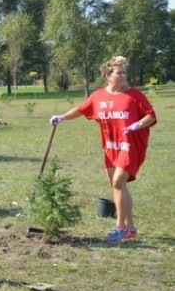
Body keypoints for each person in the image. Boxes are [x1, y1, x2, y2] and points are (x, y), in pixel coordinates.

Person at [50, 55, 157, 244]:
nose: (123, 75)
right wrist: (62, 117)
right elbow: (82, 109)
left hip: (129, 146)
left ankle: (120, 228)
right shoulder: (99, 96)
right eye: (119, 72)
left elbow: (150, 116)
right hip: (111, 147)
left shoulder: (134, 95)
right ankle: (131, 228)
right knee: (118, 186)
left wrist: (137, 125)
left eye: (124, 72)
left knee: (118, 182)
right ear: (108, 75)